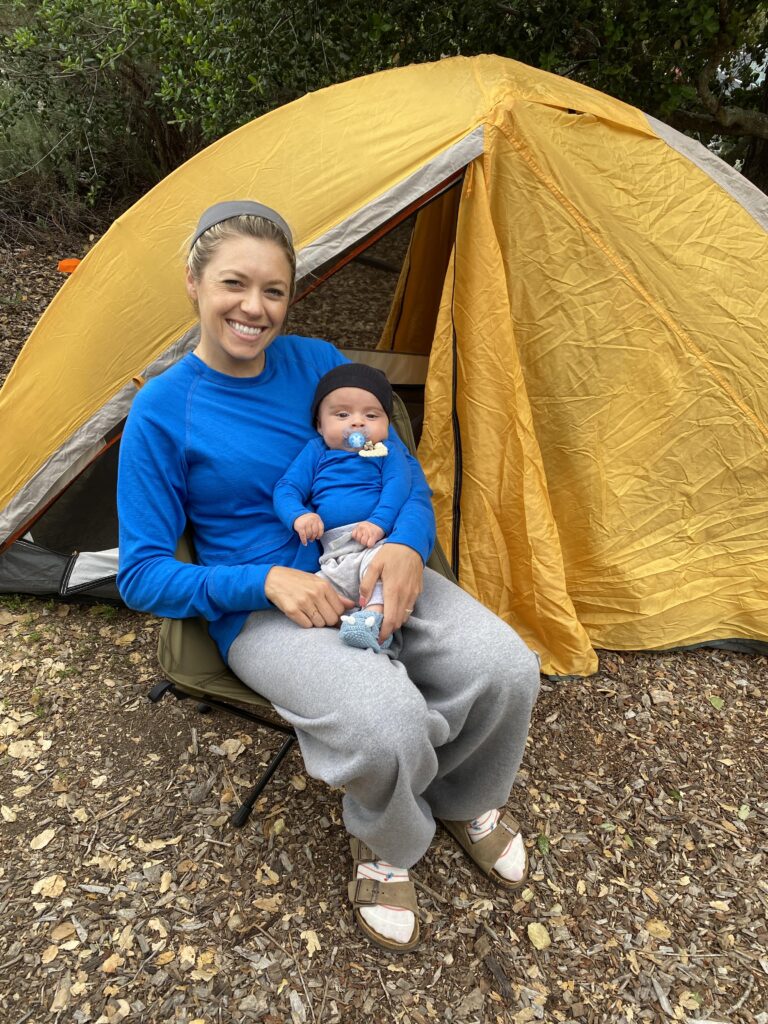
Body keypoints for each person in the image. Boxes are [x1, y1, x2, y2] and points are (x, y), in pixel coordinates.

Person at [117, 199, 541, 954]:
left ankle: (465, 796)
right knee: (385, 722)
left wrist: (411, 543)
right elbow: (143, 575)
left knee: (505, 666)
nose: (254, 308)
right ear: (193, 282)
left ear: (291, 296)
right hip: (265, 609)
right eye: (233, 284)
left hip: (369, 558)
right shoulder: (161, 411)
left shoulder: (316, 364)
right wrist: (266, 582)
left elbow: (397, 465)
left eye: (274, 290)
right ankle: (387, 844)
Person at [273, 362, 412, 652]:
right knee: (322, 588)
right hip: (333, 550)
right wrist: (299, 516)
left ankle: (374, 623)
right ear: (320, 425)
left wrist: (378, 522)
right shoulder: (316, 451)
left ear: (387, 425)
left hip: (377, 541)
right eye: (343, 414)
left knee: (378, 575)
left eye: (371, 415)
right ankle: (353, 631)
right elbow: (287, 488)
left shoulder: (387, 452)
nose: (358, 423)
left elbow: (398, 487)